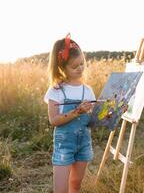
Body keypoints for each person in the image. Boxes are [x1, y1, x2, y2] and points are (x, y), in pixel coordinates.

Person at [44, 33, 95, 193]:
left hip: (83, 144)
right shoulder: (56, 91)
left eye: (82, 64)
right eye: (74, 66)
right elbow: (53, 120)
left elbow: (92, 120)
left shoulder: (88, 91)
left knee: (76, 185)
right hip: (64, 145)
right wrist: (77, 111)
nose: (80, 69)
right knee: (60, 189)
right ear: (62, 67)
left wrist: (109, 114)